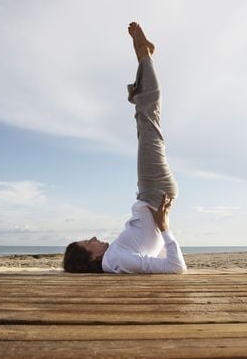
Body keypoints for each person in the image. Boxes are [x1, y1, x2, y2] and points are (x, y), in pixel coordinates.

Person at [63, 22, 187, 274]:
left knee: (145, 123)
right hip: (153, 191)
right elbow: (176, 268)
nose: (94, 238)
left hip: (150, 194)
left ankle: (143, 70)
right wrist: (164, 227)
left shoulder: (115, 258)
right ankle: (144, 56)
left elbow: (151, 251)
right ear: (90, 259)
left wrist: (159, 229)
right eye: (89, 243)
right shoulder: (117, 258)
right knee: (149, 118)